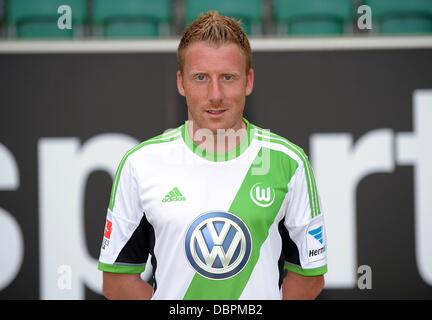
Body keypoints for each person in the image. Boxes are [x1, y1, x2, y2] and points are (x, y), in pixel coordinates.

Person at [98, 11, 327, 300]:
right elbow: (117, 281)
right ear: (181, 82)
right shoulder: (139, 164)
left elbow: (310, 276)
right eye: (201, 77)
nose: (215, 94)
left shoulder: (289, 162)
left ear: (248, 81)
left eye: (228, 77)